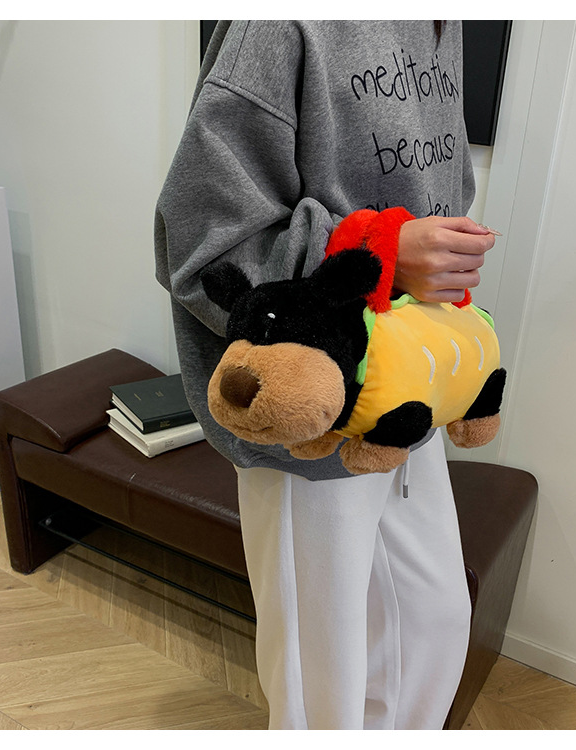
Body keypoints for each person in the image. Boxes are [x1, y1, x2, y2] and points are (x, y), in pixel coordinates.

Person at [155, 20, 496, 730]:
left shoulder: (446, 24)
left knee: (433, 624)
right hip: (308, 419)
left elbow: (438, 191)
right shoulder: (280, 25)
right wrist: (381, 250)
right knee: (323, 685)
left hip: (405, 395)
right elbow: (200, 244)